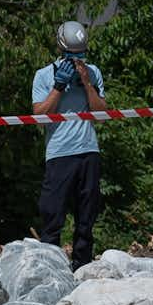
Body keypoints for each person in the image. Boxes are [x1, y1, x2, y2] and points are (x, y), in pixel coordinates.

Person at [31, 20, 108, 266]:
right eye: (71, 55)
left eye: (80, 55)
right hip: (60, 153)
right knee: (52, 212)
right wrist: (58, 87)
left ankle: (82, 265)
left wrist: (87, 84)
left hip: (88, 150)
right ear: (60, 49)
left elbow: (102, 113)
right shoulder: (43, 75)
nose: (76, 60)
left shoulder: (93, 72)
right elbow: (39, 117)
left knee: (87, 214)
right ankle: (49, 265)